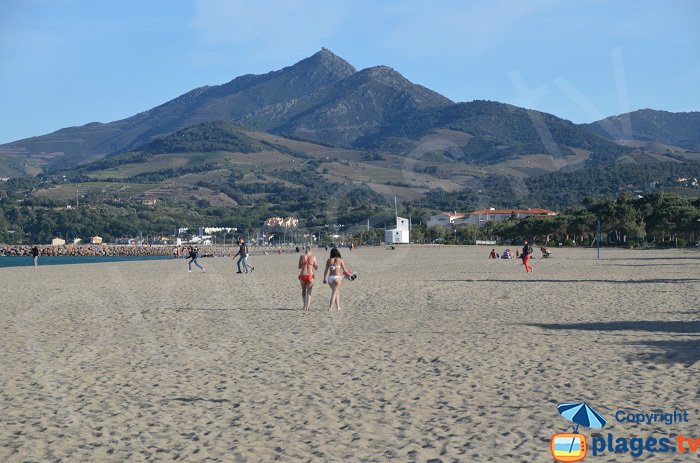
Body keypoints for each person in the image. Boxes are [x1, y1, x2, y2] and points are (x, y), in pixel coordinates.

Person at [298, 246, 318, 311]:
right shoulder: (313, 257)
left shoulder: (301, 257)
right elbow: (316, 268)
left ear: (305, 251)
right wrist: (312, 265)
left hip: (303, 275)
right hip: (310, 275)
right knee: (309, 292)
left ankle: (304, 306)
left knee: (303, 290)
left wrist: (304, 264)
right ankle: (307, 307)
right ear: (310, 251)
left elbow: (299, 267)